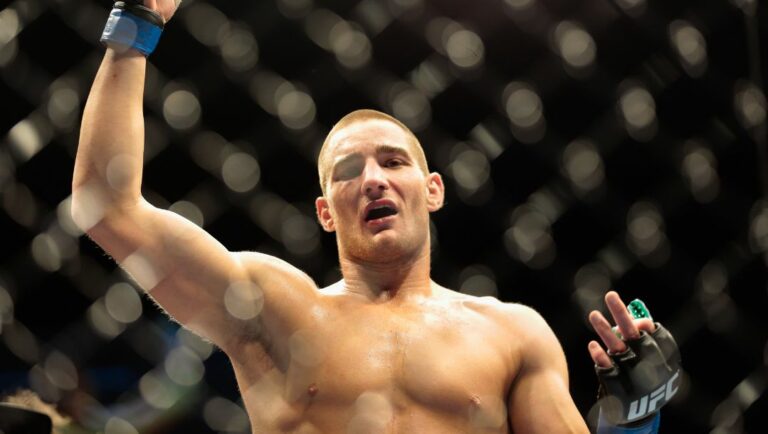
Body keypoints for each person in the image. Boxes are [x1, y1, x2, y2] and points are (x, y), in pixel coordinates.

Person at [72, 1, 680, 433]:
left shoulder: (513, 334)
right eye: (346, 171)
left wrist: (636, 421)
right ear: (325, 212)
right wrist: (138, 23)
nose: (372, 179)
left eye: (393, 161)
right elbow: (107, 205)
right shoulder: (274, 310)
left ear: (433, 189)